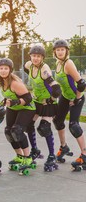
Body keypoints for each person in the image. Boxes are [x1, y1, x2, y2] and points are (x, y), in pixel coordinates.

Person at [0, 58, 36, 174]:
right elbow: (9, 96)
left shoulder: (14, 83)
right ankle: (19, 156)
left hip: (26, 108)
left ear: (10, 70)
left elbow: (28, 99)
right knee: (8, 131)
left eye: (6, 69)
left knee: (17, 130)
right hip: (13, 108)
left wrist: (14, 102)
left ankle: (27, 157)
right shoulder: (1, 82)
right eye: (1, 68)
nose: (3, 71)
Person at [24, 45, 61, 172]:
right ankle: (34, 150)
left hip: (47, 104)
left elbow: (57, 90)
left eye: (38, 56)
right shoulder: (28, 65)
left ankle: (52, 155)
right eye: (34, 56)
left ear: (42, 58)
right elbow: (28, 73)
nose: (35, 58)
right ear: (30, 56)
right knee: (28, 125)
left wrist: (50, 100)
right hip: (36, 102)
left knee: (44, 128)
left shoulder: (45, 69)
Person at [52, 39, 86, 171]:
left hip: (76, 97)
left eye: (62, 49)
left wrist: (76, 99)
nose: (60, 52)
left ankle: (84, 155)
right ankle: (64, 147)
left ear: (66, 51)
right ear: (54, 52)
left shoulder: (68, 63)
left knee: (74, 126)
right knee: (58, 121)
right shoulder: (58, 63)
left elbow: (82, 83)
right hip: (65, 97)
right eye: (58, 50)